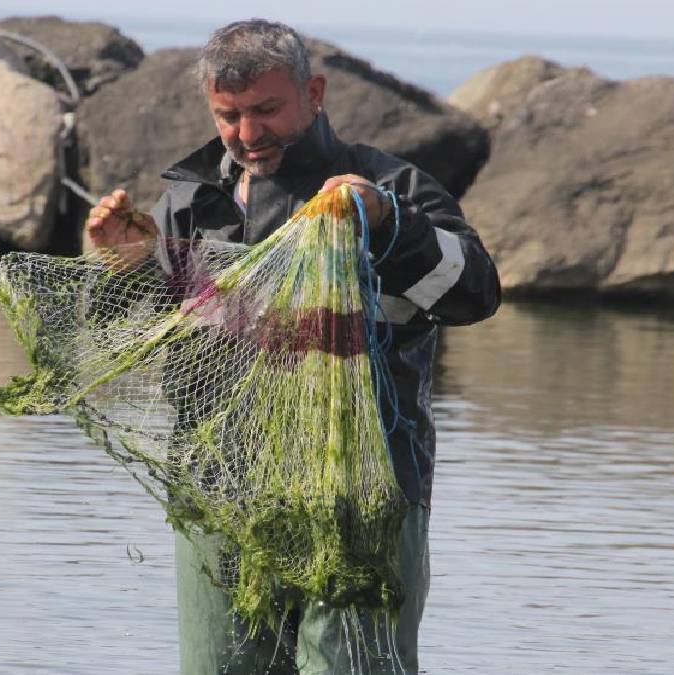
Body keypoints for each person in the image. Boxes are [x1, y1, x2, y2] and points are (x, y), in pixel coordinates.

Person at [85, 18, 500, 674]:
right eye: (229, 116)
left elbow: (475, 292)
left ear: (315, 91)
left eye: (267, 110)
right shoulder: (190, 202)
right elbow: (120, 343)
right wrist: (124, 267)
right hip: (217, 492)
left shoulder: (388, 186)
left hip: (362, 494)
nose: (249, 134)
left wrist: (388, 223)